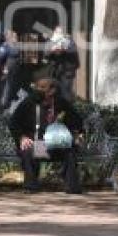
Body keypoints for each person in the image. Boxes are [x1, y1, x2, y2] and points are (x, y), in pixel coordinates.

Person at [10, 64, 84, 194]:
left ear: (53, 91)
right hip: (39, 146)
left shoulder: (61, 103)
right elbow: (14, 122)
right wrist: (22, 137)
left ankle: (72, 187)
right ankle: (31, 186)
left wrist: (78, 134)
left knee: (70, 150)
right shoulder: (28, 103)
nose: (39, 90)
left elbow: (76, 120)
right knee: (28, 150)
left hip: (57, 145)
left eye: (45, 88)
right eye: (39, 87)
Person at [44, 26, 80, 103]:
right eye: (56, 32)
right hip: (56, 72)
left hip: (67, 71)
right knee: (55, 92)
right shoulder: (52, 41)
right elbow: (45, 53)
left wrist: (62, 49)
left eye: (60, 33)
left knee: (66, 92)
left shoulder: (69, 41)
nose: (58, 34)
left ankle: (68, 110)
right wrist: (51, 50)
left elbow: (72, 51)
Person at [0, 30, 26, 114]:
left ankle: (14, 108)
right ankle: (3, 109)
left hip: (16, 72)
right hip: (8, 71)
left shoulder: (16, 46)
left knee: (15, 90)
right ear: (9, 38)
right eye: (14, 37)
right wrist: (3, 69)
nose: (16, 38)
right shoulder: (5, 46)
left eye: (16, 37)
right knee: (6, 90)